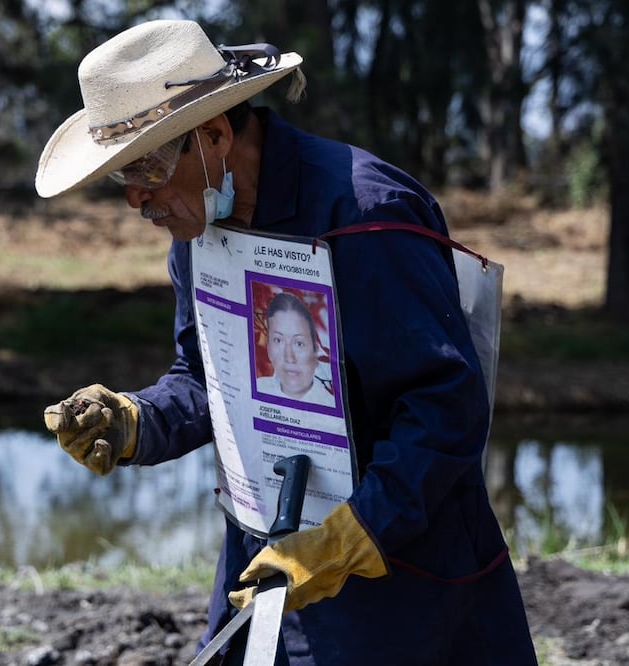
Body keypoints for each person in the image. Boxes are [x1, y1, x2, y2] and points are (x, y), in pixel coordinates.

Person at [37, 18, 537, 665]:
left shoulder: (365, 214)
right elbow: (207, 376)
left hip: (403, 581)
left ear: (214, 135)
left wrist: (352, 537)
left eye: (148, 167)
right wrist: (137, 422)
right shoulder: (200, 231)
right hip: (266, 556)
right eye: (120, 177)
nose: (137, 198)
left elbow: (446, 406)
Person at [255, 291, 333, 405]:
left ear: (315, 350)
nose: (289, 357)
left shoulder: (329, 405)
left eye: (299, 343)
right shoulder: (257, 390)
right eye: (278, 340)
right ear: (268, 347)